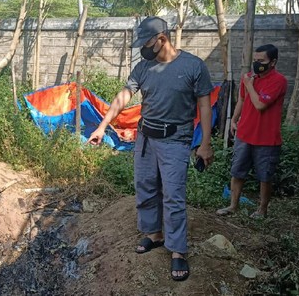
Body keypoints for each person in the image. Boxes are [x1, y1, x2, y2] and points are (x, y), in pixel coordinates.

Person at [87, 16, 214, 282]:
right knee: (145, 187)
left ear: (162, 39)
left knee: (173, 195)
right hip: (145, 138)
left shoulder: (193, 66)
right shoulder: (143, 67)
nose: (142, 50)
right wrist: (102, 125)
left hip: (176, 140)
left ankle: (178, 250)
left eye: (146, 43)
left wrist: (205, 144)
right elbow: (124, 96)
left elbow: (204, 104)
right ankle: (154, 235)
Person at [216, 44, 287, 218]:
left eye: (261, 61)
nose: (256, 64)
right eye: (255, 60)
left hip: (267, 138)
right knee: (237, 171)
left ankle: (262, 210)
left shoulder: (278, 81)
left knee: (265, 176)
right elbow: (241, 99)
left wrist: (249, 85)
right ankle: (233, 206)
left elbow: (260, 104)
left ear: (273, 62)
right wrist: (233, 119)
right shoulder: (248, 78)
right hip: (244, 134)